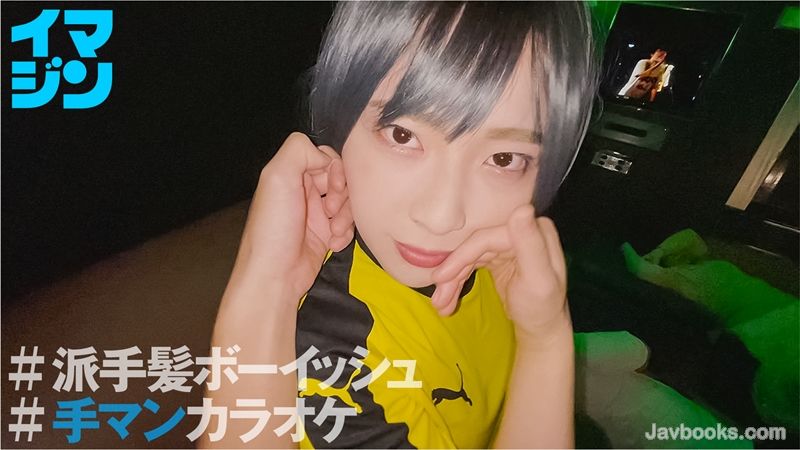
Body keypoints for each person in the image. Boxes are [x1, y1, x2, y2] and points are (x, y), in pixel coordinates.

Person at [202, 2, 598, 448]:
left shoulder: (503, 259)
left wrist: (544, 332)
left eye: (504, 159)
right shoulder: (337, 351)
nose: (442, 217)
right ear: (335, 124)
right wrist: (546, 343)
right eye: (402, 135)